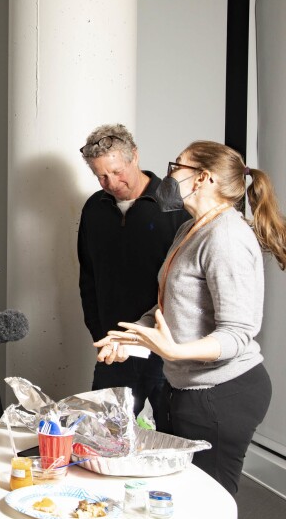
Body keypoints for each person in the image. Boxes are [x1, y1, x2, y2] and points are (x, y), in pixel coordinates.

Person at [94, 141, 285, 495]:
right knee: (178, 498)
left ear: (203, 178)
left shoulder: (226, 236)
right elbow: (166, 308)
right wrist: (130, 336)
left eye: (176, 166)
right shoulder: (190, 229)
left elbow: (238, 333)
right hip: (185, 388)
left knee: (208, 501)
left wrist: (174, 351)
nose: (168, 175)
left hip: (223, 393)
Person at [77, 124, 190, 419]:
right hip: (116, 348)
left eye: (117, 171)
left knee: (176, 436)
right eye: (101, 175)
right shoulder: (94, 208)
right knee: (102, 437)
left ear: (135, 156)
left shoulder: (176, 204)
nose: (111, 182)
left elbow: (189, 284)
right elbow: (88, 277)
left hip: (168, 347)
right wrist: (100, 332)